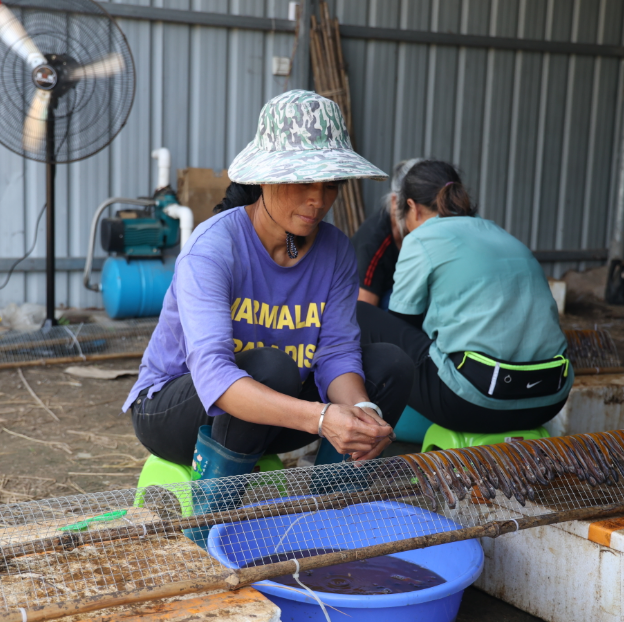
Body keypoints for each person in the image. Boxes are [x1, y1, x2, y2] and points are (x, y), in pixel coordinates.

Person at [124, 90, 413, 526]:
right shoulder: (214, 246)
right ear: (265, 179)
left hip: (274, 407)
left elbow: (335, 353)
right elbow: (215, 377)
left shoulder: (333, 248)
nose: (317, 199)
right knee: (269, 366)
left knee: (391, 364)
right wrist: (320, 418)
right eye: (302, 181)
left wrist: (360, 414)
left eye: (330, 183)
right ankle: (210, 527)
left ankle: (330, 520)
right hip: (175, 409)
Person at [357, 160, 572, 434]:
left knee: (359, 314)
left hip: (475, 403)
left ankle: (355, 439)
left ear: (412, 207)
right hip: (549, 399)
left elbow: (402, 329)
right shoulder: (502, 234)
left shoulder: (422, 237)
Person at [351, 158, 423, 307]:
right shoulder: (373, 240)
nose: (421, 216)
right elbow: (364, 310)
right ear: (395, 202)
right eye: (414, 206)